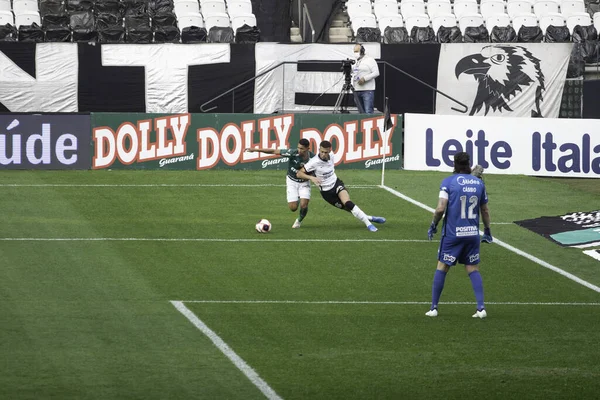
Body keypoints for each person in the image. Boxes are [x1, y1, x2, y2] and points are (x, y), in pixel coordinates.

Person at [426, 152, 493, 319]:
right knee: (472, 269)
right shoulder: (479, 183)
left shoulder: (448, 182)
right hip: (472, 234)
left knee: (442, 266)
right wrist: (488, 230)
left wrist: (433, 225)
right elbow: (484, 209)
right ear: (469, 164)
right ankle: (481, 308)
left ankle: (434, 308)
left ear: (454, 164)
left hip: (453, 234)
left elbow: (441, 208)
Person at [296, 140, 386, 232]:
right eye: (321, 151)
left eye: (326, 152)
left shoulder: (332, 156)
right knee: (349, 209)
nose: (323, 154)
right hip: (327, 193)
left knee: (348, 203)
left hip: (336, 184)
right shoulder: (314, 162)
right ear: (319, 150)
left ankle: (369, 224)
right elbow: (299, 174)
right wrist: (311, 178)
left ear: (330, 151)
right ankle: (370, 218)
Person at [245, 139, 314, 228]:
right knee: (293, 208)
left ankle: (299, 220)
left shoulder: (313, 158)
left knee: (304, 205)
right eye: (298, 148)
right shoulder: (293, 153)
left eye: (302, 149)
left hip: (304, 183)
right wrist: (255, 149)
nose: (299, 150)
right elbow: (274, 151)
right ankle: (297, 196)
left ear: (308, 148)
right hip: (292, 181)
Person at [351, 44, 380, 114]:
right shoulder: (355, 62)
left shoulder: (370, 60)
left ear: (362, 51)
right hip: (357, 90)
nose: (355, 53)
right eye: (354, 51)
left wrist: (365, 78)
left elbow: (376, 72)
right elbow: (353, 73)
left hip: (367, 90)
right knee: (361, 113)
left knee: (368, 112)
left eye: (357, 51)